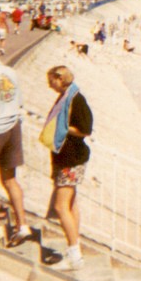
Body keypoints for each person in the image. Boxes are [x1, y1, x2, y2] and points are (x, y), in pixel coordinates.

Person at [43, 65, 93, 270]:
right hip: (67, 159)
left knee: (60, 206)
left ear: (59, 78)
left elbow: (85, 129)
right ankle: (74, 247)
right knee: (71, 204)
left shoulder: (76, 99)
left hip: (71, 159)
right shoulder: (67, 96)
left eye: (51, 80)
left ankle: (74, 255)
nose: (48, 84)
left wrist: (62, 129)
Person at [0, 43, 29, 247]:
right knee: (10, 179)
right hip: (12, 128)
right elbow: (18, 101)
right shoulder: (9, 72)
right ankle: (22, 225)